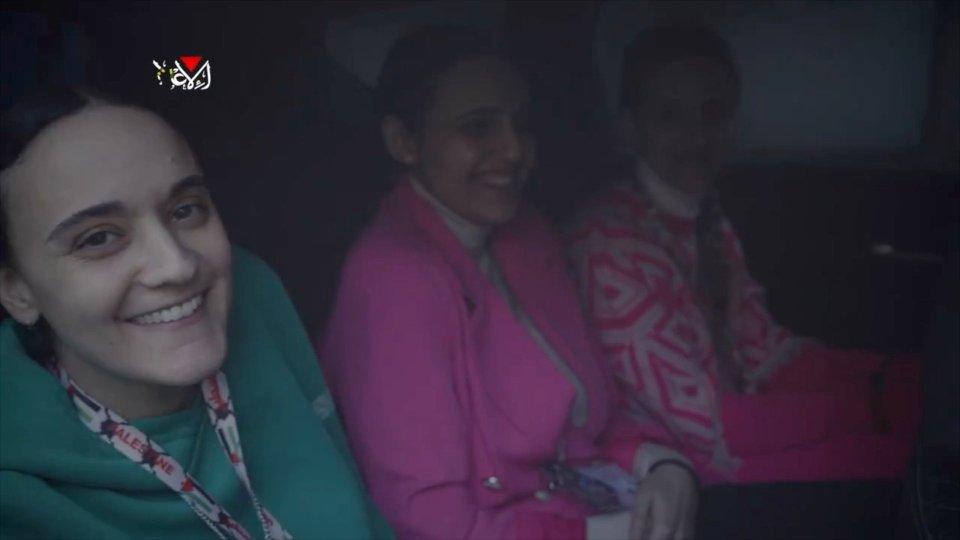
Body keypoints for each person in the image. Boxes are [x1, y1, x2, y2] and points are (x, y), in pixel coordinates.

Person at [320, 26, 699, 540]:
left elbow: (597, 413)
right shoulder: (392, 278)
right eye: (478, 128)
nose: (515, 150)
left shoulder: (526, 233)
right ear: (403, 141)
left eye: (522, 126)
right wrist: (599, 534)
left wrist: (662, 464)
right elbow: (429, 520)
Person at [0, 87, 391, 539]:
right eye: (98, 238)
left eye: (186, 210)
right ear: (17, 290)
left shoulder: (252, 295)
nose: (177, 265)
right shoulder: (20, 503)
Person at [566, 24, 920, 485]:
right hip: (670, 472)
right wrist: (873, 405)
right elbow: (708, 426)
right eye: (670, 117)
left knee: (919, 444)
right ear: (631, 129)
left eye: (714, 112)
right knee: (907, 461)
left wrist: (896, 378)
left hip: (725, 437)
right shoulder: (610, 246)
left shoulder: (703, 216)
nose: (697, 137)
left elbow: (765, 354)